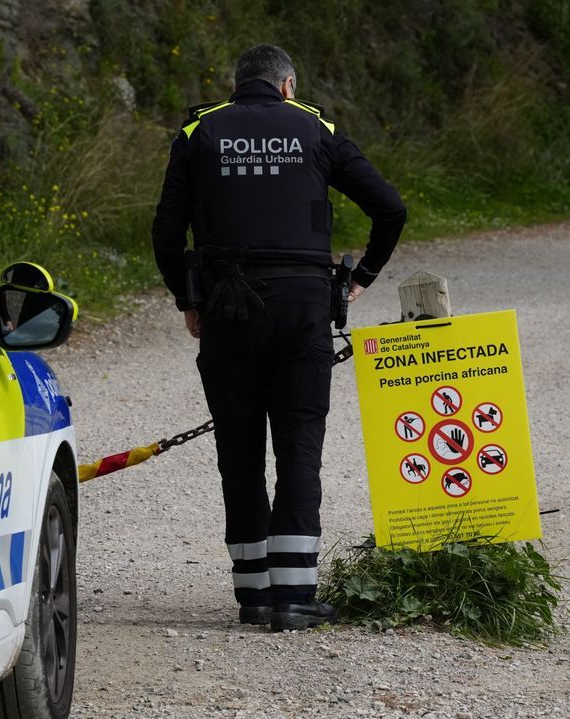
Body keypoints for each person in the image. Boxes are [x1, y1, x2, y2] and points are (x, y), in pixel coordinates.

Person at [151, 44, 407, 631]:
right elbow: (390, 208)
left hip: (226, 305)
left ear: (237, 86)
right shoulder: (315, 129)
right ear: (288, 85)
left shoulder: (199, 131)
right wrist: (360, 278)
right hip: (303, 306)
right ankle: (294, 597)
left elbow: (166, 233)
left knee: (238, 451)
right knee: (299, 443)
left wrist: (189, 299)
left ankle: (253, 596)